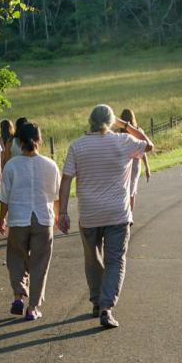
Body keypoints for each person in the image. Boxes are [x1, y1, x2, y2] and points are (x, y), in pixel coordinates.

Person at [58, 104, 154, 329]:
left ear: (89, 121)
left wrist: (62, 211)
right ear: (111, 122)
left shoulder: (77, 146)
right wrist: (126, 125)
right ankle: (106, 307)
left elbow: (66, 180)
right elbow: (149, 145)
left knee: (92, 259)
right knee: (115, 261)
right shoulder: (124, 141)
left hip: (89, 214)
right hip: (117, 214)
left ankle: (96, 300)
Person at [0, 121, 60, 321]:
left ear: (18, 141)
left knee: (16, 257)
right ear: (39, 140)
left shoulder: (12, 166)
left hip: (19, 219)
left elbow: (4, 197)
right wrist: (58, 216)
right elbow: (55, 195)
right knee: (40, 263)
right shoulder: (50, 164)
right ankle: (32, 308)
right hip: (43, 218)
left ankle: (17, 296)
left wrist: (1, 219)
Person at [118, 108, 151, 210]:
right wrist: (147, 167)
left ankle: (125, 214)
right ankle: (130, 215)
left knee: (123, 190)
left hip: (122, 164)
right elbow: (144, 150)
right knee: (132, 192)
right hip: (135, 164)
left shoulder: (118, 133)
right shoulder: (138, 131)